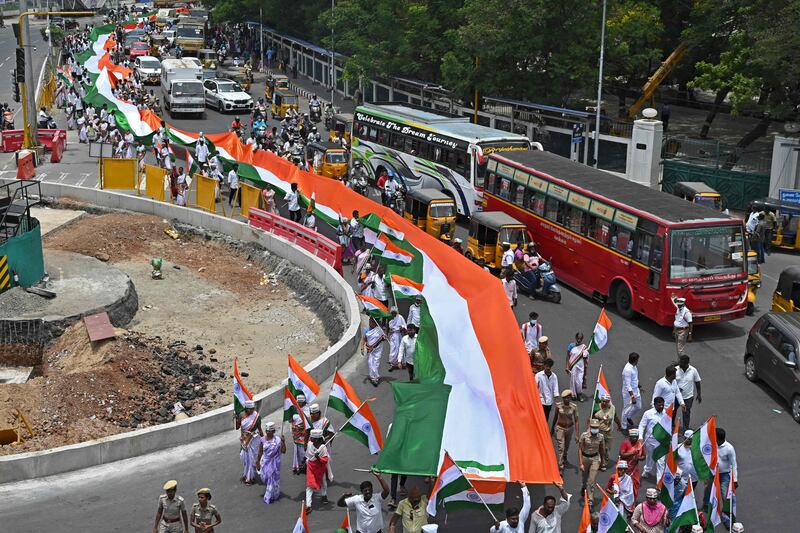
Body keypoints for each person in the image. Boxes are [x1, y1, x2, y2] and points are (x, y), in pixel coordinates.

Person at [256, 421, 286, 504]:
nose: (268, 433)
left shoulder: (278, 440)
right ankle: (272, 492)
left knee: (272, 479)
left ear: (273, 432)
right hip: (265, 462)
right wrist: (258, 462)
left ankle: (270, 495)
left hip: (275, 463)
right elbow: (260, 452)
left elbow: (283, 451)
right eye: (267, 431)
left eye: (270, 431)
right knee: (265, 478)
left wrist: (283, 442)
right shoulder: (262, 440)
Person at [638, 397, 667, 480]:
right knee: (650, 457)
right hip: (650, 440)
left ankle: (659, 482)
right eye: (659, 405)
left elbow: (668, 426)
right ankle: (647, 469)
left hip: (661, 442)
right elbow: (642, 425)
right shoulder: (648, 413)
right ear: (654, 405)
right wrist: (640, 437)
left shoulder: (666, 413)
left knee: (661, 462)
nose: (661, 407)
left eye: (662, 405)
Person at [550, 390, 579, 473]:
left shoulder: (574, 407)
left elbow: (576, 420)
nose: (566, 399)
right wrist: (552, 429)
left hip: (569, 428)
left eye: (568, 398)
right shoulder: (558, 406)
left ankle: (565, 457)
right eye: (564, 398)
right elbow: (555, 417)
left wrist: (577, 434)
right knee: (561, 448)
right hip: (560, 428)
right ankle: (561, 466)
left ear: (570, 398)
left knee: (566, 445)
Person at [592, 394, 623, 471]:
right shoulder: (596, 408)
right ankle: (602, 462)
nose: (606, 403)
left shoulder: (612, 408)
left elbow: (615, 417)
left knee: (607, 448)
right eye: (604, 402)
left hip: (608, 432)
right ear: (601, 401)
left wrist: (619, 425)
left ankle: (604, 457)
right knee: (601, 447)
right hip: (599, 431)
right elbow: (591, 420)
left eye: (607, 401)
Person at [579, 419, 606, 506]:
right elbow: (580, 449)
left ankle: (590, 500)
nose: (595, 429)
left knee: (592, 480)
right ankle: (583, 486)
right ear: (590, 427)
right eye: (593, 427)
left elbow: (602, 449)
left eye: (596, 427)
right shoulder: (584, 435)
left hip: (595, 458)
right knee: (584, 477)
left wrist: (603, 461)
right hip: (585, 458)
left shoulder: (601, 437)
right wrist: (580, 463)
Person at [236, 399, 262, 485]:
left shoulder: (257, 416)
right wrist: (241, 436)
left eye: (253, 409)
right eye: (249, 409)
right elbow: (239, 427)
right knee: (243, 457)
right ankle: (246, 474)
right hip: (244, 440)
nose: (251, 410)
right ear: (246, 408)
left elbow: (259, 428)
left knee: (251, 459)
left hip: (254, 440)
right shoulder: (241, 415)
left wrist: (264, 439)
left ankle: (249, 478)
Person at [715, 427, 738, 524]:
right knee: (710, 495)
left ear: (719, 439)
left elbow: (734, 464)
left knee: (725, 497)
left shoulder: (729, 448)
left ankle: (728, 519)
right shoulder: (713, 444)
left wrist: (735, 480)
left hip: (724, 476)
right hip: (713, 474)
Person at [675, 355, 702, 431]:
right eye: (680, 361)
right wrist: (675, 389)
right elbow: (671, 381)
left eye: (681, 362)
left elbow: (697, 381)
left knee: (686, 413)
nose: (679, 363)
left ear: (687, 363)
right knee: (673, 411)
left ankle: (685, 430)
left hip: (688, 397)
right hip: (676, 396)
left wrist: (699, 394)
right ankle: (671, 426)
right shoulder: (676, 369)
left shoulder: (693, 370)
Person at [305, 429, 329, 511]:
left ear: (317, 439)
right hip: (311, 467)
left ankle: (324, 495)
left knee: (323, 482)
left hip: (320, 468)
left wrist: (318, 457)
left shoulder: (323, 448)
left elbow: (325, 460)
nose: (311, 439)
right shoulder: (309, 444)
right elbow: (308, 456)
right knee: (309, 486)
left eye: (313, 438)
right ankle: (308, 505)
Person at [619, 428, 645, 499]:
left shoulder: (640, 444)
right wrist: (632, 453)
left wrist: (638, 458)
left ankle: (632, 501)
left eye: (636, 437)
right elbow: (622, 454)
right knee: (624, 485)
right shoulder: (625, 443)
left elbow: (643, 456)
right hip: (624, 468)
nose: (635, 438)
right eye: (633, 437)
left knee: (635, 485)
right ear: (629, 437)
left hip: (635, 468)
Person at [621, 352, 643, 430]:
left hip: (636, 390)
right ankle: (623, 426)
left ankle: (628, 417)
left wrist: (639, 386)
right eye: (637, 360)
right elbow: (628, 385)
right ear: (635, 360)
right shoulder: (627, 369)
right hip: (629, 393)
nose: (638, 361)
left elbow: (635, 379)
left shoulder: (634, 367)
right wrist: (632, 396)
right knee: (626, 409)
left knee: (638, 406)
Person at [363, 316, 386, 387]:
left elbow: (383, 338)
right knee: (370, 362)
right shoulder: (367, 330)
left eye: (371, 322)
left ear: (375, 323)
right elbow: (364, 339)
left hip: (377, 350)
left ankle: (374, 378)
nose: (370, 323)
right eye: (369, 321)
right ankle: (373, 376)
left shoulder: (379, 330)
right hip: (370, 350)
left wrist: (383, 338)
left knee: (375, 362)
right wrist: (362, 348)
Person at [567, 332, 589, 401]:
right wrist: (567, 366)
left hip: (581, 366)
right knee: (573, 379)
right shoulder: (571, 346)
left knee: (579, 380)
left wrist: (586, 354)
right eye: (578, 338)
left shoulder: (584, 348)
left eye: (580, 338)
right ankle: (573, 394)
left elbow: (586, 359)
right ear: (576, 338)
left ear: (582, 339)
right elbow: (567, 356)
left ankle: (579, 393)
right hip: (573, 365)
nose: (579, 340)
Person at [536, 358, 559, 422]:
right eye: (547, 366)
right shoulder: (538, 375)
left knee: (546, 416)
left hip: (549, 401)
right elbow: (535, 387)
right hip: (540, 400)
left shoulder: (554, 376)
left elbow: (555, 387)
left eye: (550, 366)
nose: (548, 368)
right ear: (544, 366)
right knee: (540, 416)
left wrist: (556, 395)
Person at [387, 306, 407, 372]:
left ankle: (401, 362)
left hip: (398, 335)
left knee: (399, 348)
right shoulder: (391, 319)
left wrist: (402, 327)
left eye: (394, 313)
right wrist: (389, 332)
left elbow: (404, 325)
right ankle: (393, 362)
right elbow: (389, 328)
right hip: (393, 336)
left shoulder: (400, 317)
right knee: (393, 348)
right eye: (392, 313)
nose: (393, 314)